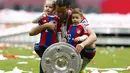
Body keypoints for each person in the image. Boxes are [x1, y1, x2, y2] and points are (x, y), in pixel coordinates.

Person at [29, 0, 61, 73]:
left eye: (50, 7)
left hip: (52, 44)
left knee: (52, 60)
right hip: (43, 44)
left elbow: (58, 32)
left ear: (54, 9)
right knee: (44, 60)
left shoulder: (56, 19)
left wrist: (59, 42)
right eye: (46, 6)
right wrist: (41, 15)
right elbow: (33, 21)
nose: (47, 8)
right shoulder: (43, 17)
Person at [66, 8, 96, 73]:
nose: (75, 19)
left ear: (81, 18)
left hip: (78, 48)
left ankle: (81, 68)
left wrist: (80, 39)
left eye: (77, 18)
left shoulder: (82, 26)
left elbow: (87, 35)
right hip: (70, 47)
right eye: (73, 18)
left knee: (77, 60)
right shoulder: (70, 27)